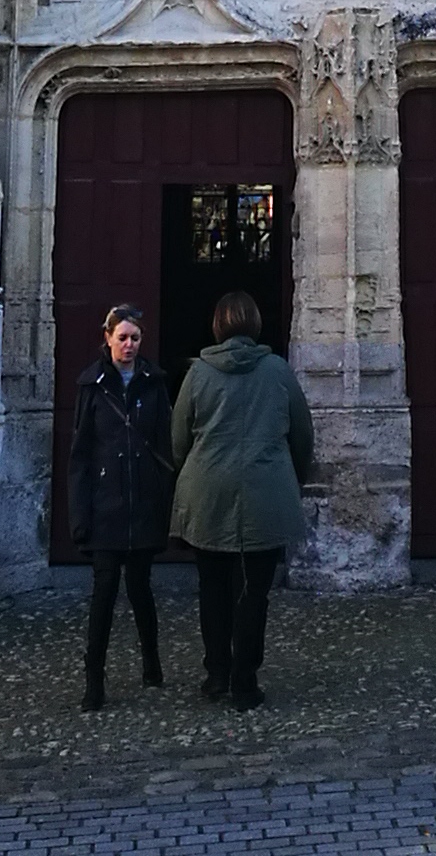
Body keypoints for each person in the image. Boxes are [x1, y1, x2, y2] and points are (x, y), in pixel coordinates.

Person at [166, 286, 314, 710]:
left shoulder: (198, 373)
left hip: (207, 493)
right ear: (255, 324)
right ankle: (245, 682)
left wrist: (191, 474)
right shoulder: (278, 372)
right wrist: (289, 478)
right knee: (252, 592)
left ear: (217, 326)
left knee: (212, 589)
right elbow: (302, 435)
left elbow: (178, 438)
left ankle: (217, 674)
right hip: (264, 493)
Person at [67, 298, 175, 709]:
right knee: (104, 593)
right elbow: (80, 453)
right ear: (108, 338)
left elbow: (165, 442)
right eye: (123, 337)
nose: (129, 345)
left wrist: (164, 498)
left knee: (141, 588)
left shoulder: (153, 383)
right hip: (106, 504)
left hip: (142, 501)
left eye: (136, 338)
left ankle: (151, 661)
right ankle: (94, 679)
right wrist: (80, 515)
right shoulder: (92, 386)